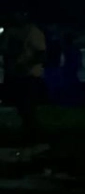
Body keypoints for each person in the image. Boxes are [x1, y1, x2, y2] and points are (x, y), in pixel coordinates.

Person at [2, 10, 49, 147]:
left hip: (29, 75)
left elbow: (41, 54)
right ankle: (31, 134)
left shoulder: (33, 32)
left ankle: (33, 135)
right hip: (15, 75)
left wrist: (26, 65)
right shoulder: (10, 32)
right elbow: (5, 51)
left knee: (28, 108)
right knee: (22, 108)